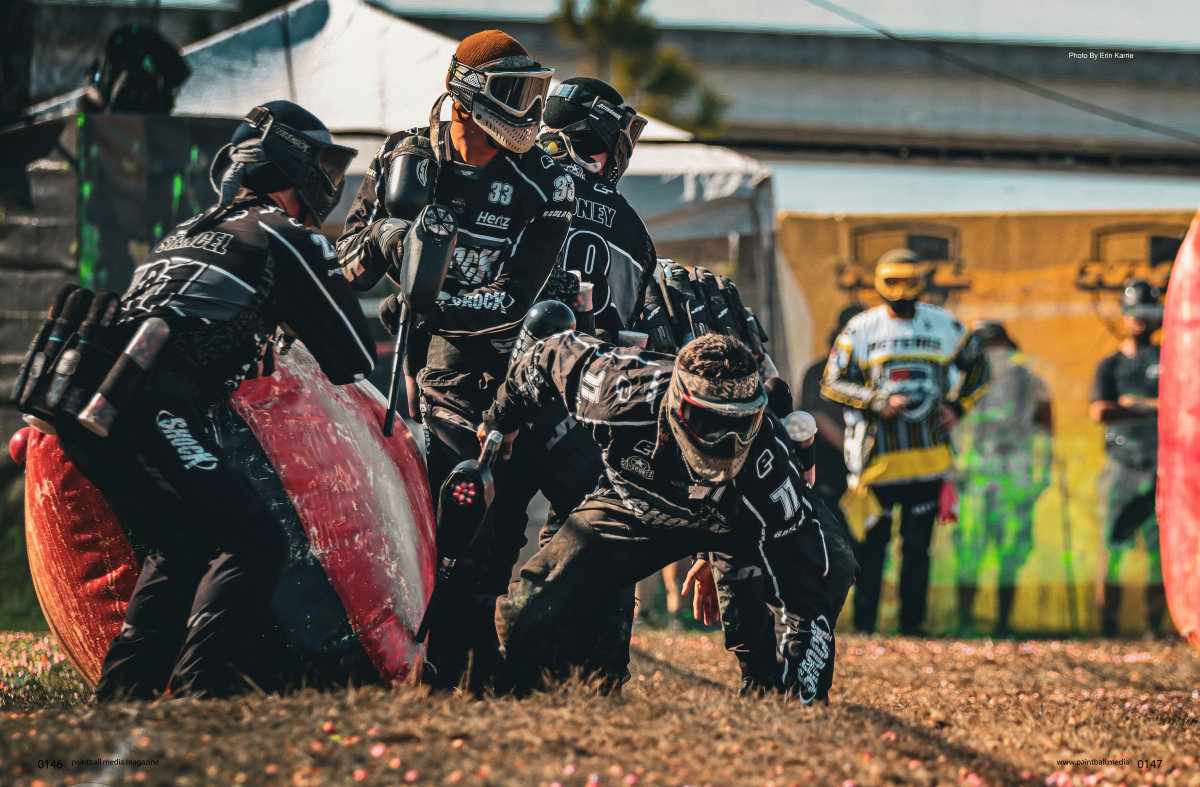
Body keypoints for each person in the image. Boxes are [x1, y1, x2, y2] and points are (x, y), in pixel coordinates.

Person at [53, 100, 373, 699]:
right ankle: (201, 695)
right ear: (291, 164)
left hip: (80, 399)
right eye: (325, 167)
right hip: (150, 402)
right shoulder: (282, 233)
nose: (329, 184)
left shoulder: (189, 231)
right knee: (252, 539)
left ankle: (122, 697)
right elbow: (352, 354)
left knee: (184, 542)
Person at [336, 30, 574, 687]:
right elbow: (348, 266)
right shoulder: (405, 155)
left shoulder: (546, 179)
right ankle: (450, 660)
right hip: (438, 368)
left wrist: (427, 299)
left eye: (534, 93)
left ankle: (508, 654)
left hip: (520, 363)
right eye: (514, 93)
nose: (530, 111)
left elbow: (515, 300)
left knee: (516, 525)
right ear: (464, 94)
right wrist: (391, 237)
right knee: (456, 516)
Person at [484, 331, 853, 703]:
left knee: (832, 565)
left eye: (742, 421)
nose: (728, 442)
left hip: (735, 518)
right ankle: (539, 696)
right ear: (678, 403)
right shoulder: (618, 388)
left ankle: (765, 685)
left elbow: (803, 598)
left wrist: (803, 701)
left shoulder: (767, 464)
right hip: (634, 508)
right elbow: (547, 354)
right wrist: (501, 420)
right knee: (527, 612)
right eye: (709, 420)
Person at [822, 248, 989, 636]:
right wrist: (875, 400)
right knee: (870, 549)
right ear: (878, 283)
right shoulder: (861, 328)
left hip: (928, 460)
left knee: (917, 548)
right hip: (875, 463)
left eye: (909, 281)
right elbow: (831, 383)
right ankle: (865, 627)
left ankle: (913, 627)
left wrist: (958, 407)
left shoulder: (945, 324)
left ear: (922, 282)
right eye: (892, 281)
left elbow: (980, 370)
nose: (901, 291)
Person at [953, 320, 1052, 635]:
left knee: (1011, 553)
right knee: (969, 552)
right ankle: (965, 622)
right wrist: (951, 473)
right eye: (986, 347)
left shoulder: (1030, 381)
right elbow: (950, 431)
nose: (994, 353)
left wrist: (1042, 477)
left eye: (997, 346)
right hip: (973, 478)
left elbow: (1047, 433)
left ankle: (1003, 624)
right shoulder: (961, 384)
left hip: (1015, 476)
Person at [1088, 280, 1165, 638]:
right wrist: (1153, 409)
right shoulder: (1111, 364)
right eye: (1133, 311)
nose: (1140, 319)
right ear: (1123, 314)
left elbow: (1182, 405)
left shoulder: (1169, 360)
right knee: (1113, 549)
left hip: (1161, 470)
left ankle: (1155, 629)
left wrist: (1137, 405)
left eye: (1147, 311)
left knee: (1159, 554)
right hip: (1121, 467)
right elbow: (1099, 411)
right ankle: (1109, 630)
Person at [800, 305, 863, 511]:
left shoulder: (872, 372)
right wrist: (853, 452)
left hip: (869, 471)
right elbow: (814, 417)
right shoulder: (819, 373)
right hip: (832, 473)